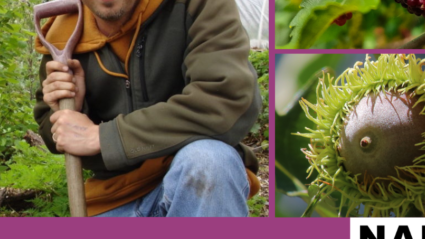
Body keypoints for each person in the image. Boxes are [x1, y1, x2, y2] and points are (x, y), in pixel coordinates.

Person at [34, 0, 262, 217]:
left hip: (194, 181)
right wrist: (70, 111)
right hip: (113, 198)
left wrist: (105, 138)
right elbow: (56, 136)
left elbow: (224, 99)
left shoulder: (197, 6)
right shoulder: (64, 32)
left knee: (210, 160)